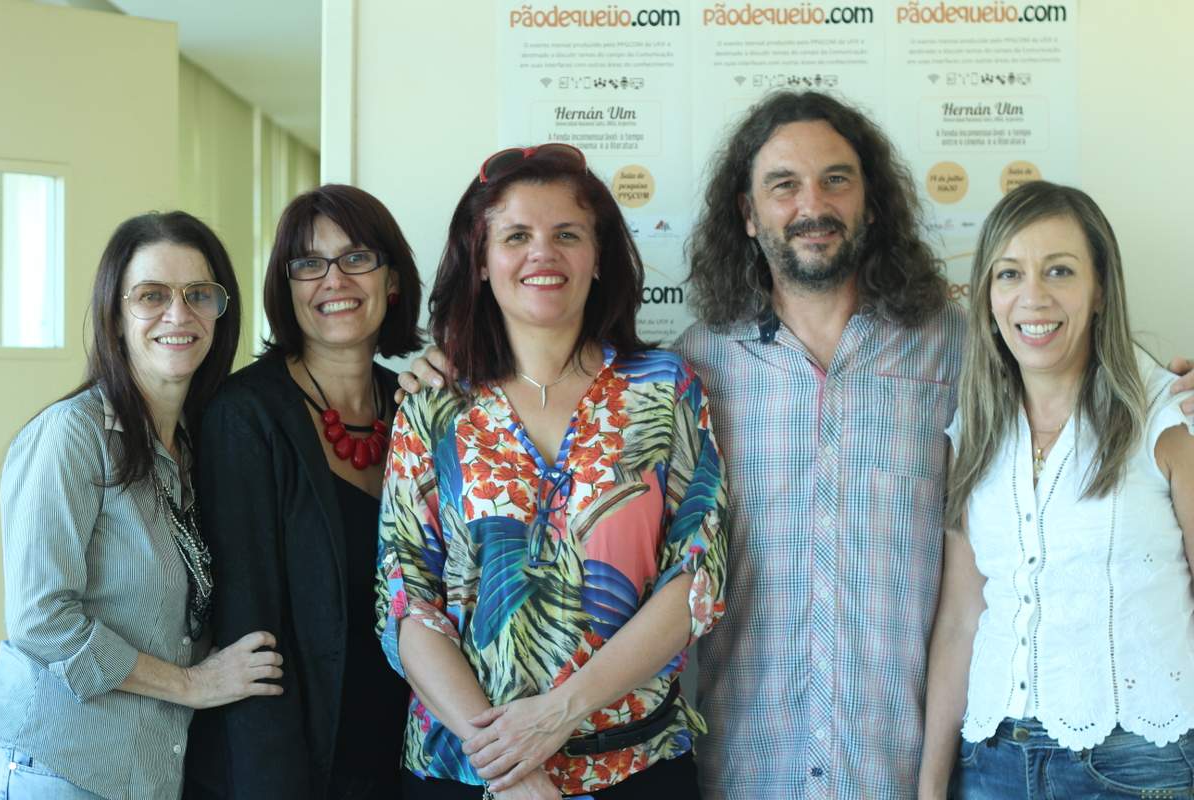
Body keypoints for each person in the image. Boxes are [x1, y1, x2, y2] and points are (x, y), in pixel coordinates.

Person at [400, 92, 1194, 800]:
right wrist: (446, 366)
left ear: (872, 204)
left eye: (835, 180)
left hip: (906, 765)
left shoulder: (958, 351)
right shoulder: (694, 368)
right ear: (747, 214)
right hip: (745, 766)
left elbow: (1071, 379)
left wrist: (1172, 387)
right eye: (783, 185)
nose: (812, 204)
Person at [379, 143, 727, 800]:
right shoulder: (433, 405)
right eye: (516, 236)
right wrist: (505, 762)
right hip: (465, 772)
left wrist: (556, 716)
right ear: (481, 262)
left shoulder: (666, 389)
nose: (543, 253)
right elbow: (405, 600)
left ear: (599, 258)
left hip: (634, 767)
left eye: (567, 234)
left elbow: (696, 578)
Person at [918, 182, 1194, 797]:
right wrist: (931, 786)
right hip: (990, 765)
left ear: (1101, 290)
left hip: (1136, 766)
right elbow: (961, 620)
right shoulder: (974, 431)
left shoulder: (1169, 416)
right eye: (1009, 274)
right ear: (987, 297)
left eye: (1060, 270)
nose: (1033, 296)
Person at [0, 212, 282, 800]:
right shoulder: (73, 435)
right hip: (60, 769)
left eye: (198, 294)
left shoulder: (194, 448)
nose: (179, 314)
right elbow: (41, 619)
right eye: (152, 295)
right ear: (115, 315)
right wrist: (193, 684)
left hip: (147, 777)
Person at [182, 185, 423, 800]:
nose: (334, 280)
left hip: (411, 757)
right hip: (298, 766)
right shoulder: (245, 416)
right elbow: (248, 636)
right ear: (287, 289)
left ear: (392, 278)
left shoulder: (419, 407)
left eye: (357, 258)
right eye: (309, 263)